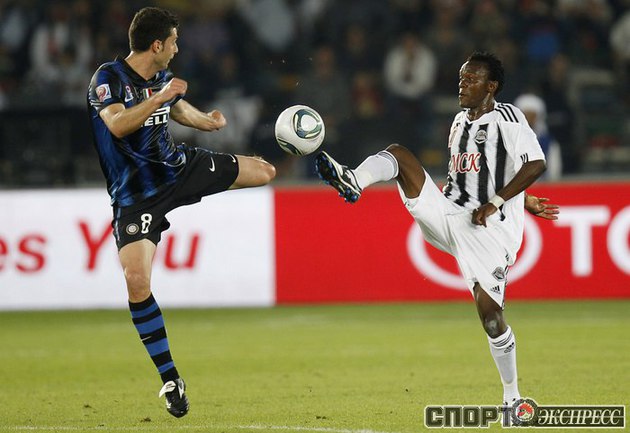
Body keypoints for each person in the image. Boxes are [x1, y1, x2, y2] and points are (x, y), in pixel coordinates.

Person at [315, 51, 559, 406]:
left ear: (491, 86)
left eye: (472, 79)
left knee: (492, 320)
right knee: (399, 155)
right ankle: (354, 179)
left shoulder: (508, 117)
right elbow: (477, 174)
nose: (463, 84)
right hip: (449, 213)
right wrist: (520, 198)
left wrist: (501, 201)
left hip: (487, 230)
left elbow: (536, 163)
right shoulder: (458, 122)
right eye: (461, 78)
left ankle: (512, 398)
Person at [87, 7, 276, 418]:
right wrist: (160, 97)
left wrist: (207, 121)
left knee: (265, 172)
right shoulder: (107, 79)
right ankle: (171, 379)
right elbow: (118, 125)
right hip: (137, 196)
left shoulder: (160, 78)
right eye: (173, 41)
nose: (176, 48)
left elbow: (175, 108)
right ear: (157, 44)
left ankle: (220, 173)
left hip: (179, 169)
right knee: (137, 282)